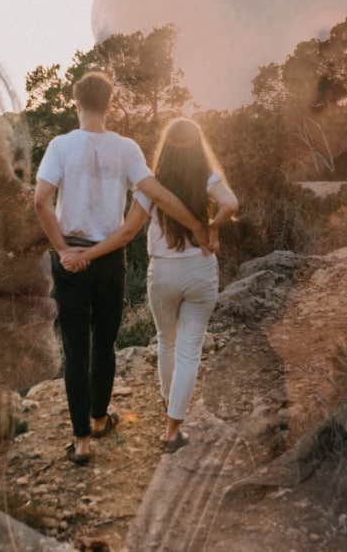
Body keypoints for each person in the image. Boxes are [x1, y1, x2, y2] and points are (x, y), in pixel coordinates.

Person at [33, 72, 210, 465]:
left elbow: (41, 201)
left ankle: (80, 442)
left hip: (70, 260)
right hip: (110, 259)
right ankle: (98, 420)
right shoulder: (127, 149)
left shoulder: (60, 146)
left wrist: (63, 250)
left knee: (75, 348)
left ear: (75, 103)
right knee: (105, 343)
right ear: (110, 105)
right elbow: (158, 195)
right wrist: (196, 224)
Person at [69, 118, 238, 452]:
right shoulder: (207, 177)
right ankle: (173, 431)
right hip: (200, 270)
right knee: (190, 348)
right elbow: (231, 204)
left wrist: (87, 252)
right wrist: (213, 228)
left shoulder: (152, 184)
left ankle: (167, 404)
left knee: (167, 342)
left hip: (162, 273)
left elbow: (129, 230)